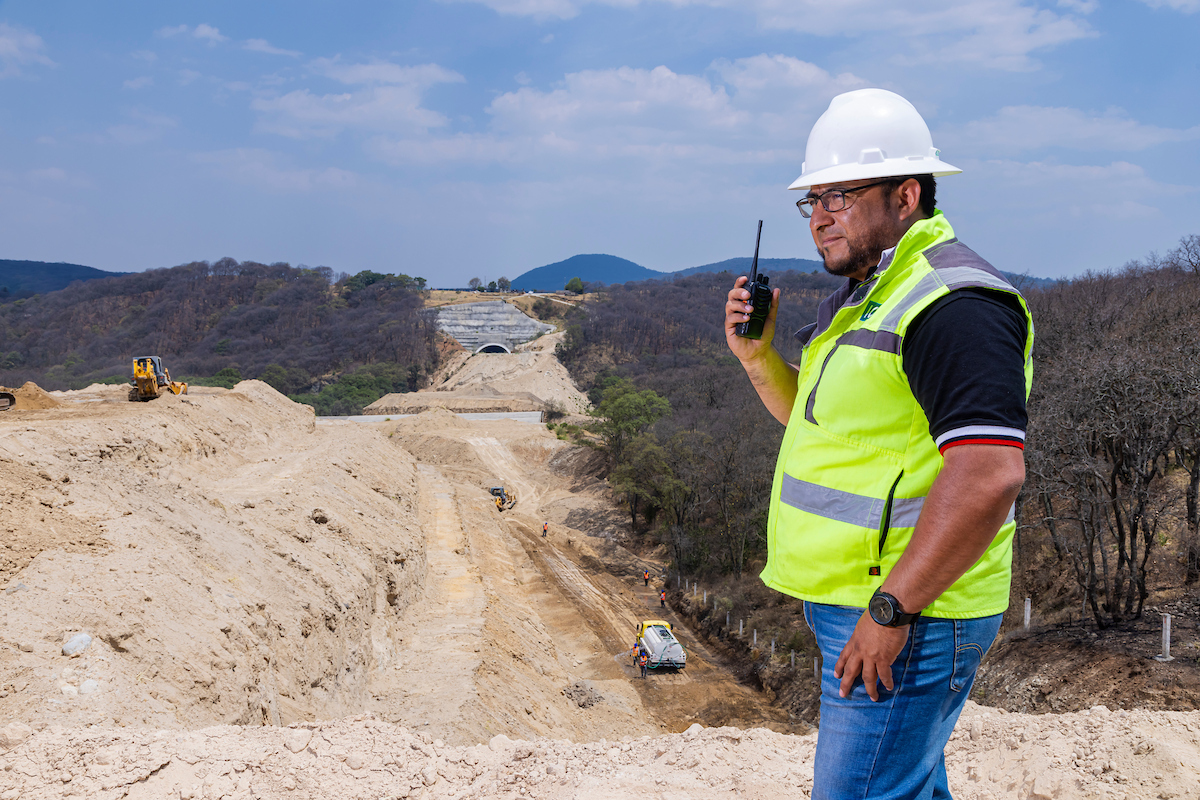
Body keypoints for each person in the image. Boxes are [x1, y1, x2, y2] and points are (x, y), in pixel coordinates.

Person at [723, 88, 1032, 799]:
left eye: (840, 195)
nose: (821, 217)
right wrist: (757, 358)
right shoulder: (872, 292)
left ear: (906, 195)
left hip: (909, 613)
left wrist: (892, 611)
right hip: (868, 604)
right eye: (814, 200)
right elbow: (822, 425)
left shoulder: (954, 306)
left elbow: (988, 474)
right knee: (906, 787)